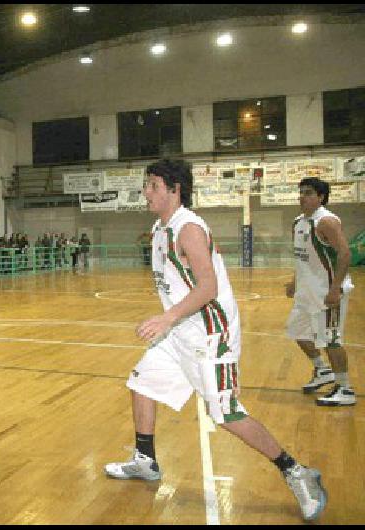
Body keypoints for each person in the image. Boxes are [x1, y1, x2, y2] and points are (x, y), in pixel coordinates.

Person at [104, 159, 327, 522]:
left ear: (174, 189)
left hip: (210, 334)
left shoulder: (188, 228)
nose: (146, 192)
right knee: (141, 382)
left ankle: (297, 472)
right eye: (146, 185)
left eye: (153, 185)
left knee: (225, 413)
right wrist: (170, 321)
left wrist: (166, 316)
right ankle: (145, 459)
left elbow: (208, 288)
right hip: (179, 332)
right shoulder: (161, 229)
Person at [286, 177, 355, 406]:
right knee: (297, 332)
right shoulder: (298, 222)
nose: (302, 197)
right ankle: (322, 371)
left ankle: (345, 389)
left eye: (308, 193)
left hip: (328, 293)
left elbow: (345, 254)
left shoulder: (326, 221)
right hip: (306, 293)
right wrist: (295, 281)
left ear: (321, 197)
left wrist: (335, 289)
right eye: (301, 192)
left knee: (331, 340)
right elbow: (302, 257)